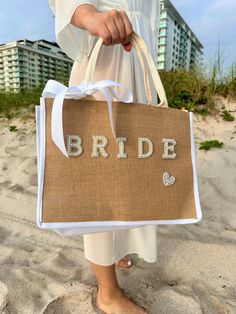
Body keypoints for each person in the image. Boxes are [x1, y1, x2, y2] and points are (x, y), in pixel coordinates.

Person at [48, 1, 160, 313]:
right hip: (106, 54)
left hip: (137, 52)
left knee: (133, 168)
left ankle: (115, 249)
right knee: (102, 174)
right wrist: (88, 15)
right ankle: (107, 293)